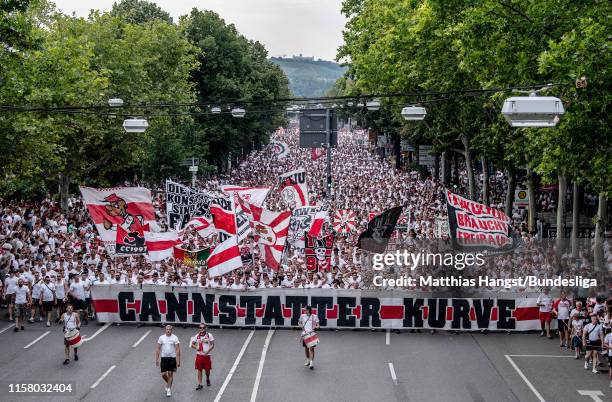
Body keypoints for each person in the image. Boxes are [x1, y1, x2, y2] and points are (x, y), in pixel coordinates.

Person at [156, 325, 181, 397]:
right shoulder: (161, 338)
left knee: (170, 373)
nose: (168, 331)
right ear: (165, 330)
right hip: (164, 358)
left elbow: (177, 350)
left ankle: (169, 389)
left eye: (169, 329)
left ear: (171, 330)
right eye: (167, 329)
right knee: (163, 374)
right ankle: (168, 384)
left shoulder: (175, 338)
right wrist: (157, 359)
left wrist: (178, 361)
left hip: (172, 358)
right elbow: (158, 348)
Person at [190, 324, 214, 389]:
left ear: (205, 328)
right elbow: (192, 344)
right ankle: (200, 384)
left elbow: (212, 345)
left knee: (207, 370)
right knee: (199, 370)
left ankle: (207, 378)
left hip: (206, 356)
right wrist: (196, 348)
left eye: (203, 328)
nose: (202, 329)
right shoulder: (196, 336)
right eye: (200, 328)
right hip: (199, 355)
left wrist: (208, 351)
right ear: (199, 329)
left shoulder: (209, 335)